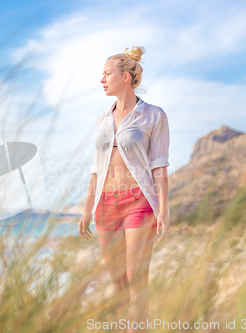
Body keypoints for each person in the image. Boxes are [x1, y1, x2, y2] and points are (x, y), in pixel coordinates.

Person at [78, 46, 170, 332]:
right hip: (105, 204)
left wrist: (164, 210)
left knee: (136, 277)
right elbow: (97, 167)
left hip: (138, 202)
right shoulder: (102, 118)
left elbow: (159, 166)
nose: (102, 80)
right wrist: (85, 210)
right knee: (118, 280)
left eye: (107, 74)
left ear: (126, 77)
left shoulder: (153, 115)